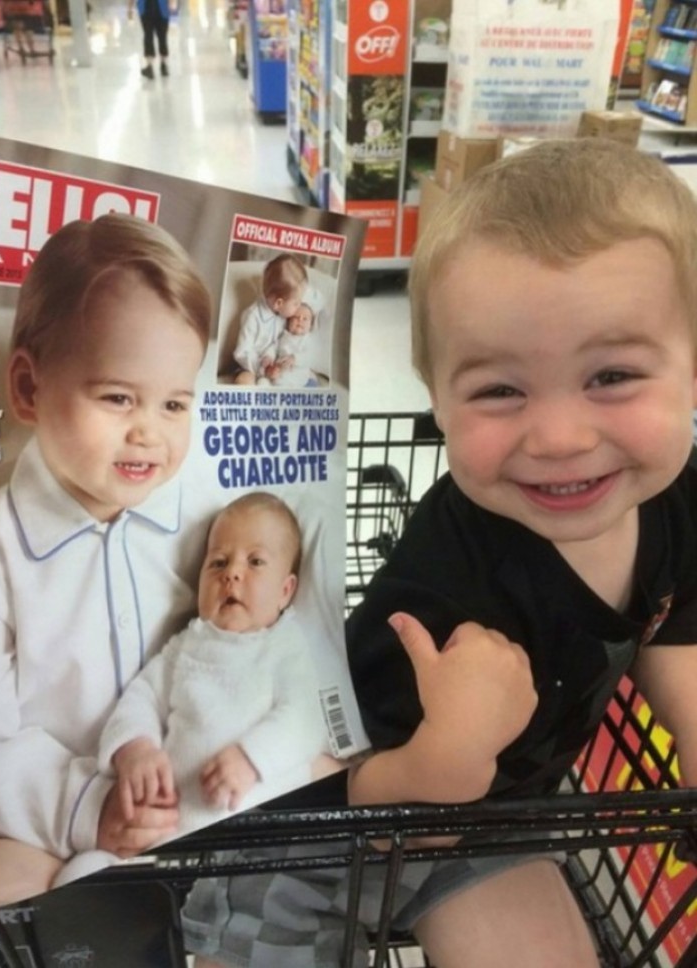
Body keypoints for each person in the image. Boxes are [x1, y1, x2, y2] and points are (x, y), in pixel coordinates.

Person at [182, 138, 697, 968]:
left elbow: (676, 632)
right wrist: (447, 755)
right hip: (321, 828)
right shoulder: (446, 577)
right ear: (436, 398)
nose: (561, 437)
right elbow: (338, 779)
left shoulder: (677, 500)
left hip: (492, 819)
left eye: (613, 376)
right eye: (499, 389)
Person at [0, 213, 212, 914]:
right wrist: (89, 807)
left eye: (174, 404)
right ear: (28, 388)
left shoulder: (202, 521)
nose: (149, 432)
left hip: (187, 798)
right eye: (116, 397)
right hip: (43, 820)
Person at [53, 492, 329, 886]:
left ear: (286, 591)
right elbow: (142, 696)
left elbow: (304, 719)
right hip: (171, 834)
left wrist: (252, 759)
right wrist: (136, 749)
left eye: (255, 562)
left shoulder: (284, 647)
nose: (231, 573)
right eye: (218, 562)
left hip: (254, 837)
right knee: (79, 873)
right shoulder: (186, 645)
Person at [232, 253, 307, 385]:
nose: (299, 306)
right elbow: (242, 352)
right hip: (248, 365)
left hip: (271, 365)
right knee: (245, 380)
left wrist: (269, 357)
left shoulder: (282, 316)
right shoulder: (253, 316)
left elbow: (275, 342)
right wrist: (261, 367)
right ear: (279, 303)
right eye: (296, 303)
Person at [257, 302, 319, 388]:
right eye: (296, 317)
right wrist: (268, 357)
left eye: (305, 319)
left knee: (311, 386)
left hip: (299, 378)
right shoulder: (283, 337)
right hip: (279, 375)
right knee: (262, 382)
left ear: (310, 325)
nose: (300, 320)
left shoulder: (308, 340)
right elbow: (273, 347)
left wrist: (295, 358)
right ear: (288, 321)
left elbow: (311, 356)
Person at [128, 0, 174, 79]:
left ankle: (150, 67)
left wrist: (130, 9)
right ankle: (163, 66)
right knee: (162, 36)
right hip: (162, 7)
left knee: (148, 35)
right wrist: (171, 4)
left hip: (146, 8)